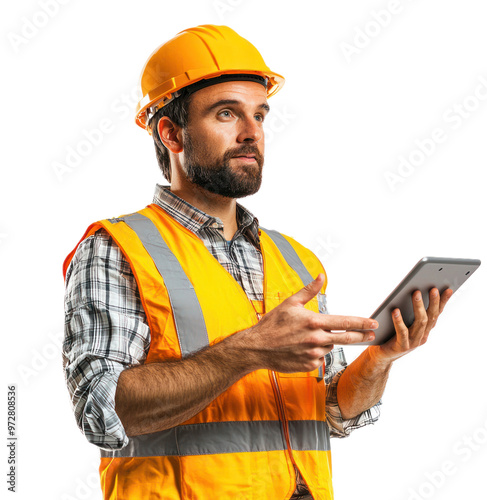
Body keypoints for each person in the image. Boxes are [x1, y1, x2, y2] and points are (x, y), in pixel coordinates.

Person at [62, 24, 453, 500]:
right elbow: (101, 408)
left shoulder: (295, 260)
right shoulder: (118, 248)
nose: (252, 133)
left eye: (260, 115)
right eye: (227, 114)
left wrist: (379, 358)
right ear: (171, 133)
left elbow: (332, 412)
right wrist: (248, 351)